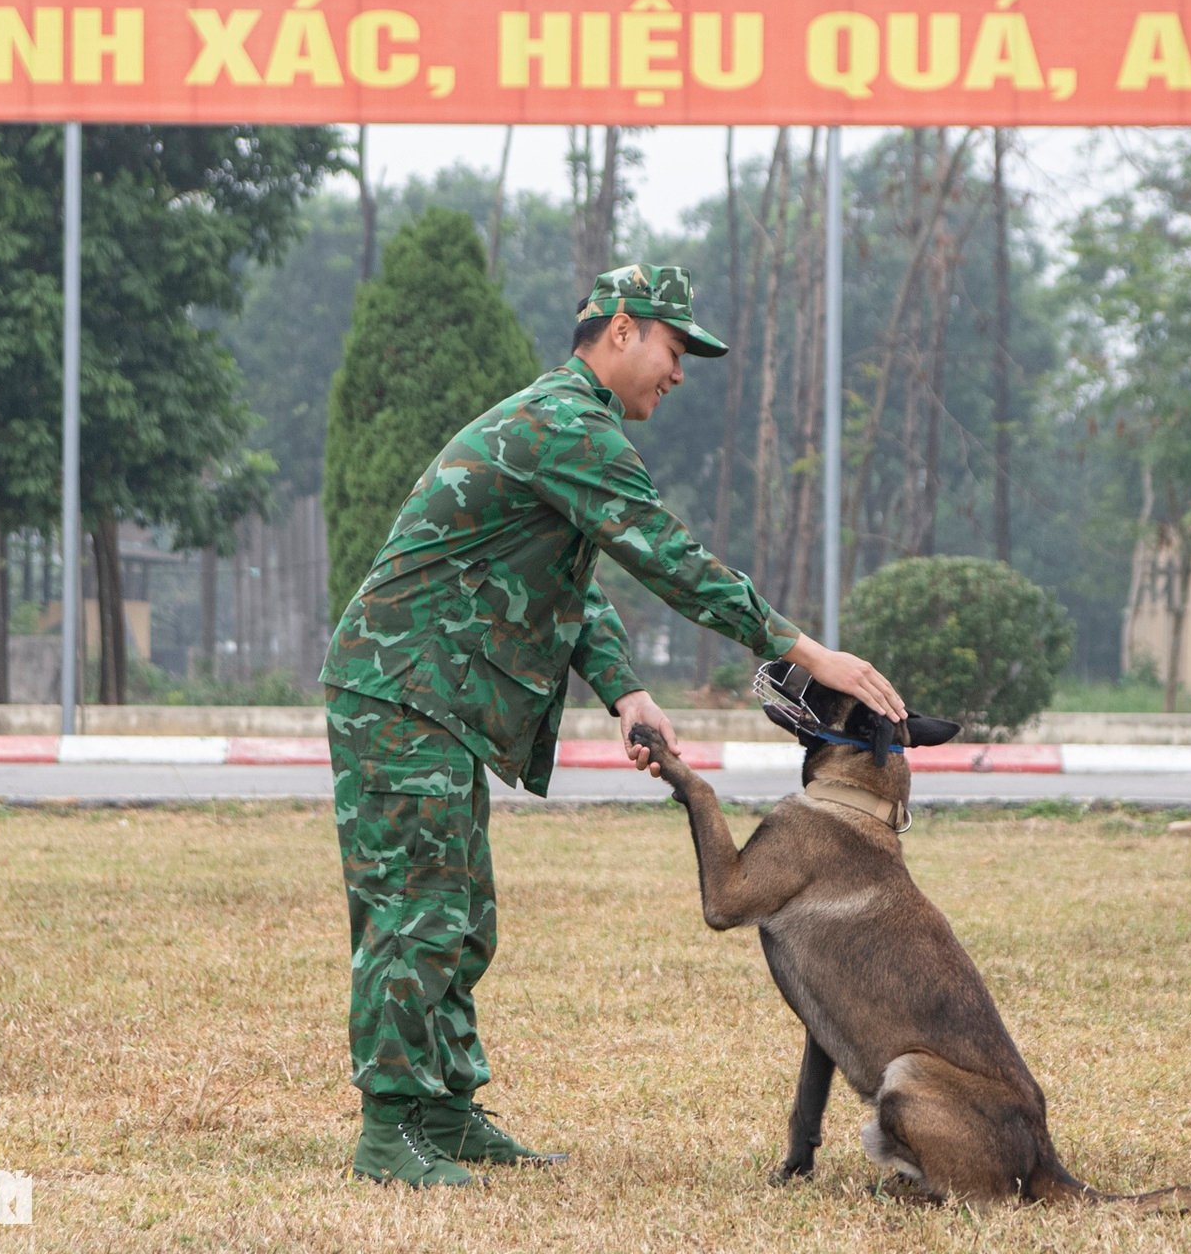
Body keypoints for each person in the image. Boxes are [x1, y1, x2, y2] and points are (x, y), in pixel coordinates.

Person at [319, 262, 905, 1188]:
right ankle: (390, 1130)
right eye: (675, 349)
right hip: (400, 692)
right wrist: (805, 652)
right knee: (419, 912)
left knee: (464, 917)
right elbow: (668, 557)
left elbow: (572, 581)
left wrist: (625, 691)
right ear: (623, 330)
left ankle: (445, 1109)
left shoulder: (565, 426)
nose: (679, 373)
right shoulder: (567, 425)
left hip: (428, 696)